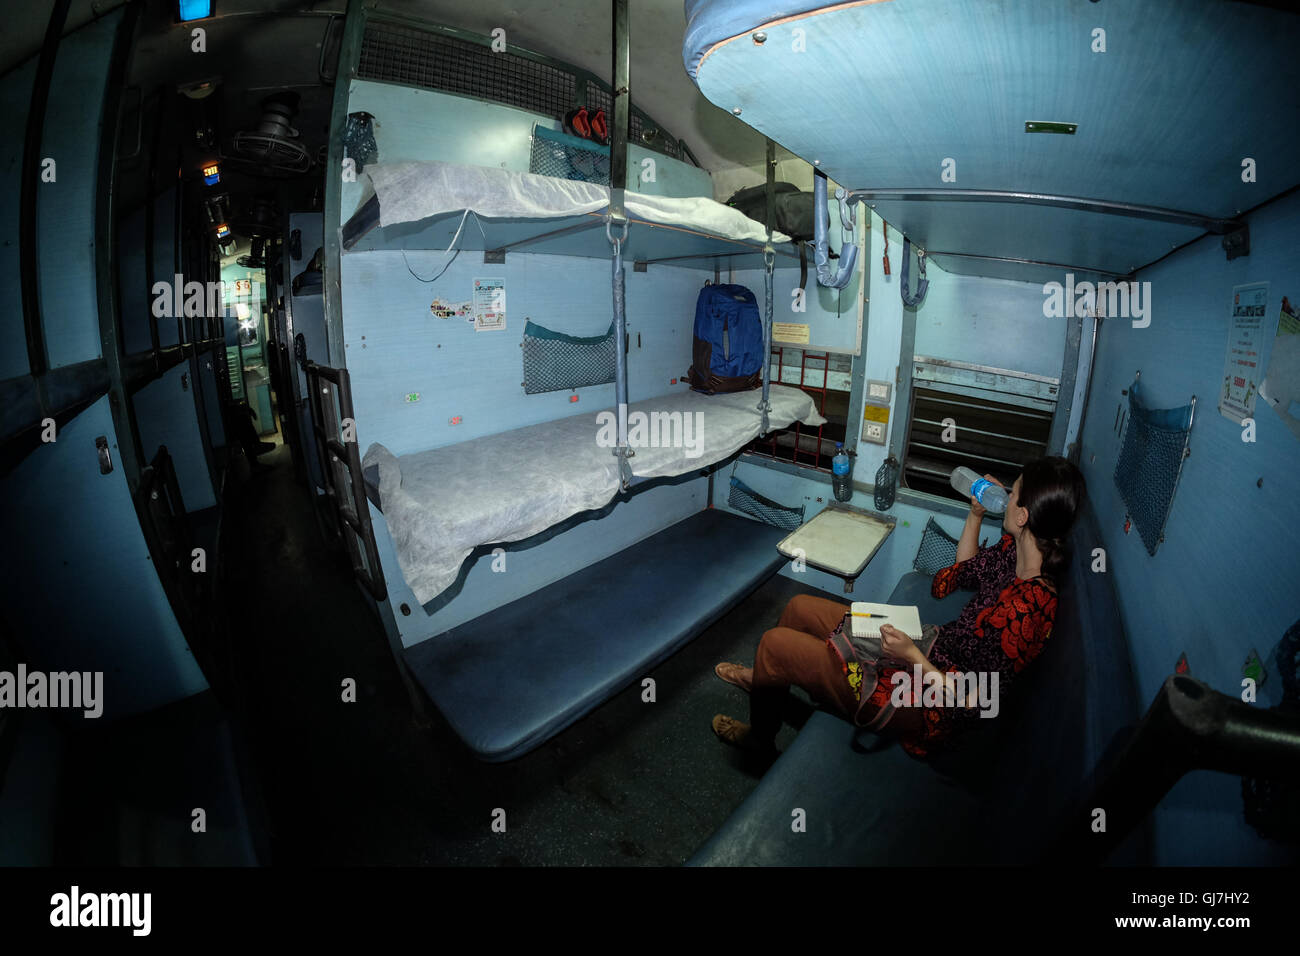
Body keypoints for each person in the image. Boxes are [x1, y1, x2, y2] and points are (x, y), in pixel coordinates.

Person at [711, 455, 1086, 759]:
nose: (1003, 496)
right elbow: (960, 574)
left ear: (1022, 517)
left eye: (1013, 492)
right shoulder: (1013, 555)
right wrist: (975, 514)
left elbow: (977, 701)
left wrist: (912, 657)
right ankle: (768, 682)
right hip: (932, 648)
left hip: (926, 704)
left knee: (774, 644)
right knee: (799, 607)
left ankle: (761, 733)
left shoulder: (1030, 610)